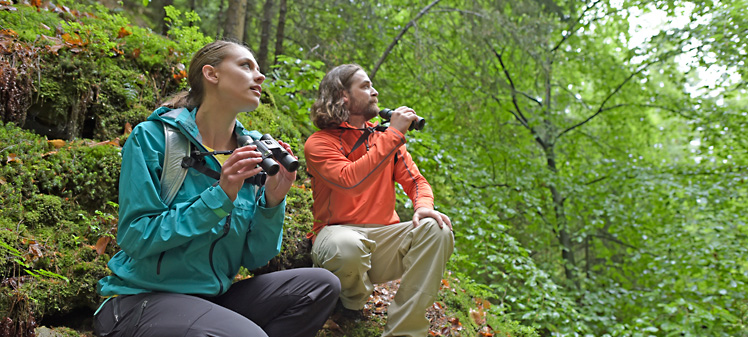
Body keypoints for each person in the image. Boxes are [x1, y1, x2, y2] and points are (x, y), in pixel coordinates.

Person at [93, 40, 340, 337]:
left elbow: (255, 258)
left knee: (322, 286)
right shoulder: (154, 139)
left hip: (213, 301)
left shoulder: (252, 151)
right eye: (246, 66)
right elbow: (135, 237)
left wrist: (273, 201)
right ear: (211, 74)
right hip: (141, 300)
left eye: (258, 69)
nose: (259, 76)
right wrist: (219, 196)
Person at [304, 64, 454, 337]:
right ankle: (352, 301)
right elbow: (350, 181)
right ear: (343, 95)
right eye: (365, 86)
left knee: (437, 229)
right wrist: (393, 135)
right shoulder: (319, 143)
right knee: (346, 246)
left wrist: (423, 207)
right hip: (336, 237)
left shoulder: (384, 139)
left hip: (383, 241)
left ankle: (404, 331)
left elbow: (417, 182)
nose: (374, 92)